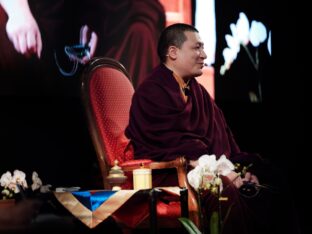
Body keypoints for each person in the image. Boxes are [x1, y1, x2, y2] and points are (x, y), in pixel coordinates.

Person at [125, 23, 300, 234]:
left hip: (206, 165)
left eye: (203, 48)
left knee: (273, 178)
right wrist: (226, 173)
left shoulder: (197, 92)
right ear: (173, 52)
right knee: (222, 188)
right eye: (196, 48)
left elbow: (222, 142)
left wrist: (240, 171)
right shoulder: (152, 92)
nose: (204, 54)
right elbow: (174, 148)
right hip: (171, 172)